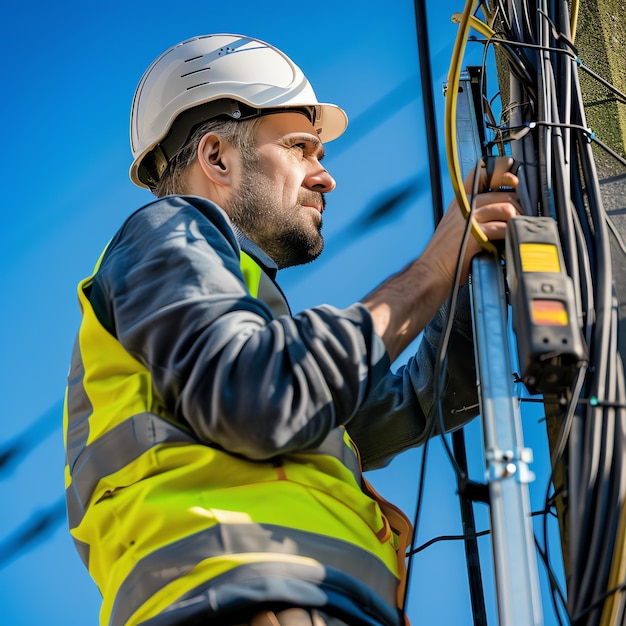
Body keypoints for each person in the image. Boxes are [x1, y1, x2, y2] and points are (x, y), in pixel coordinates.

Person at [63, 34, 519, 626]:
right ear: (217, 157)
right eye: (302, 148)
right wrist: (434, 266)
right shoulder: (166, 232)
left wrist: (478, 268)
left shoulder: (246, 332)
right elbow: (262, 396)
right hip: (243, 598)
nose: (324, 177)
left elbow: (419, 397)